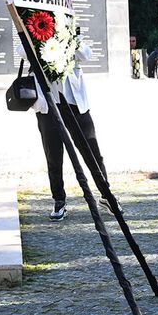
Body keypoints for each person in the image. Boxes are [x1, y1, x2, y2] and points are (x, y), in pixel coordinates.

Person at [34, 41, 106, 222]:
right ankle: (59, 200)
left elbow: (86, 54)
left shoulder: (71, 34)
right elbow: (22, 51)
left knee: (91, 151)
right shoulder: (34, 31)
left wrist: (69, 41)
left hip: (75, 103)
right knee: (53, 155)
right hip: (48, 104)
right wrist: (41, 42)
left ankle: (106, 195)